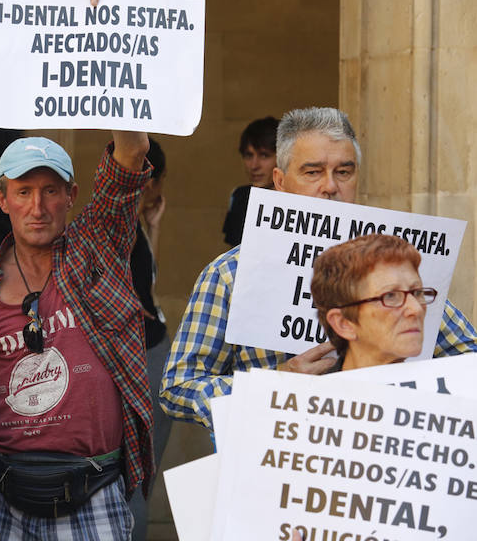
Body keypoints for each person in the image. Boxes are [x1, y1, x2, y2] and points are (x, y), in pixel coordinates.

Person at [160, 106, 477, 432]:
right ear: (280, 181)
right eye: (312, 172)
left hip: (381, 463)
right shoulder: (230, 275)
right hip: (276, 465)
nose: (330, 186)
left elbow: (469, 357)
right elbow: (179, 387)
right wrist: (272, 386)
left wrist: (396, 383)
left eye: (344, 172)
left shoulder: (394, 268)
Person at [0, 126, 153, 540]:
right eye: (23, 191)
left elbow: (132, 154)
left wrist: (116, 86)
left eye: (50, 190)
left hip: (93, 486)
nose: (37, 207)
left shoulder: (96, 248)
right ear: (2, 198)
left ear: (71, 195)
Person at [127, 136, 171, 540]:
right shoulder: (120, 228)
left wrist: (153, 228)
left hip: (153, 347)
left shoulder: (138, 225)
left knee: (145, 466)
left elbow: (147, 289)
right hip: (141, 356)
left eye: (146, 177)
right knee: (138, 470)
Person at [311, 234, 437, 371]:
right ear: (344, 323)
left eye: (417, 292)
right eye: (390, 296)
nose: (416, 309)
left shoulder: (453, 389)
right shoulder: (314, 392)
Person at [221, 116, 278, 246]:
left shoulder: (298, 200)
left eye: (264, 155)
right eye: (248, 155)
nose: (254, 165)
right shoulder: (239, 196)